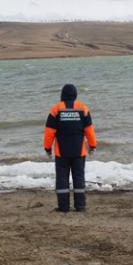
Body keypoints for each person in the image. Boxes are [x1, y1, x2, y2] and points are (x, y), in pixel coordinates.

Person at [44, 83, 97, 212]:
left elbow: (49, 131)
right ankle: (80, 206)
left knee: (62, 178)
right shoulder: (83, 109)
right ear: (75, 95)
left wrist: (47, 148)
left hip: (61, 152)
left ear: (62, 94)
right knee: (79, 177)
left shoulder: (56, 109)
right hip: (79, 151)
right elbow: (89, 130)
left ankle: (63, 207)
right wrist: (92, 145)